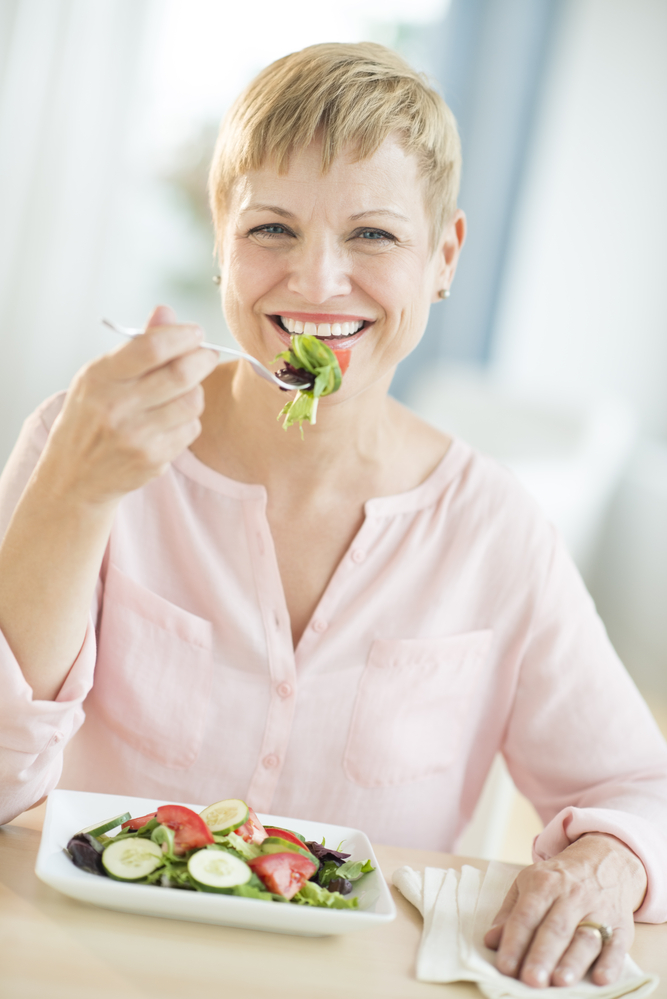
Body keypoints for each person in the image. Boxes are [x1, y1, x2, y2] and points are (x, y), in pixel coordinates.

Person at [0, 41, 665, 989]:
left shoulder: (495, 532)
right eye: (271, 228)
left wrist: (610, 859)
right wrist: (76, 493)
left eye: (374, 236)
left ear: (443, 257)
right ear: (221, 236)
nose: (315, 281)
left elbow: (641, 788)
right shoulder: (86, 440)